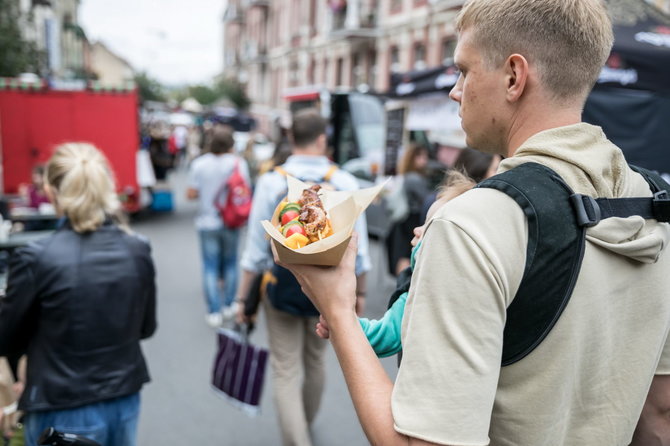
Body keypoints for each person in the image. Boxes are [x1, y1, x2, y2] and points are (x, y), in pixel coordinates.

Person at [273, 1, 670, 444]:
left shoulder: (474, 223)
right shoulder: (653, 203)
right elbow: (658, 416)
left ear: (514, 77)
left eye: (464, 71)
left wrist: (338, 311)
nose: (454, 91)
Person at [0, 143, 157, 446]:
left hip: (60, 405)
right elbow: (145, 328)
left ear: (51, 190)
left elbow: (6, 339)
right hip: (123, 398)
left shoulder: (36, 257)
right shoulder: (137, 248)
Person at [236, 108, 371, 446]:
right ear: (323, 139)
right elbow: (361, 248)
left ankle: (297, 439)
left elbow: (254, 248)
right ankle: (304, 424)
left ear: (292, 138)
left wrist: (242, 298)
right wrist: (360, 295)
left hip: (281, 285)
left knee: (285, 368)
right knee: (316, 360)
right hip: (329, 289)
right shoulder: (344, 182)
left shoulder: (271, 181)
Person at [320, 171, 475, 358]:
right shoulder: (474, 289)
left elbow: (382, 336)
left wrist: (342, 323)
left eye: (430, 225)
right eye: (423, 222)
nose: (417, 229)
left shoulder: (417, 291)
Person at [187, 126, 250, 327]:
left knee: (210, 266)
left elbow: (190, 194)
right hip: (231, 221)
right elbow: (244, 191)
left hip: (207, 222)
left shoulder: (199, 164)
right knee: (231, 262)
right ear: (231, 144)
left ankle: (214, 311)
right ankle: (229, 304)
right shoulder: (239, 164)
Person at [385, 144, 431, 276]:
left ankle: (401, 284)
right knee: (406, 253)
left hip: (404, 218)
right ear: (412, 158)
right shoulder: (414, 178)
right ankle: (403, 284)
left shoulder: (407, 175)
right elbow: (426, 199)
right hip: (412, 219)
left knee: (402, 253)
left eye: (425, 157)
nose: (424, 160)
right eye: (420, 156)